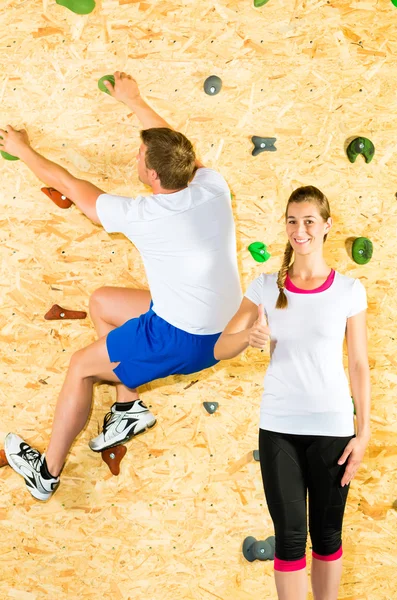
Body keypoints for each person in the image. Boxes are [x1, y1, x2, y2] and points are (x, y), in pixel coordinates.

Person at [1, 71, 242, 501]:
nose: (135, 156)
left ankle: (46, 473)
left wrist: (22, 148)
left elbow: (71, 185)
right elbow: (178, 144)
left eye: (139, 154)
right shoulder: (212, 186)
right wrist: (134, 99)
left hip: (184, 338)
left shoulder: (146, 214)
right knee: (103, 303)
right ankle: (128, 406)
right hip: (222, 325)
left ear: (150, 174)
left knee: (80, 367)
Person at [214, 186, 370, 600]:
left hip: (333, 429)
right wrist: (249, 336)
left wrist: (364, 433)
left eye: (308, 221)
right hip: (279, 427)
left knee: (327, 534)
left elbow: (358, 365)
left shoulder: (349, 291)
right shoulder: (265, 287)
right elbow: (219, 347)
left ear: (326, 226)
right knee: (288, 538)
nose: (299, 230)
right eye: (292, 221)